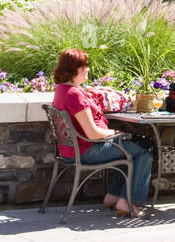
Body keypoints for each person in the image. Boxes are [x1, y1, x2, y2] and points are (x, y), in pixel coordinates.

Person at [51, 47, 153, 216]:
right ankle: (129, 202)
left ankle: (113, 197)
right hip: (86, 150)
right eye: (84, 66)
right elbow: (92, 134)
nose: (88, 69)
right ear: (73, 69)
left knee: (132, 147)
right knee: (143, 150)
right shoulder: (74, 95)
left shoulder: (61, 89)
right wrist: (115, 133)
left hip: (71, 149)